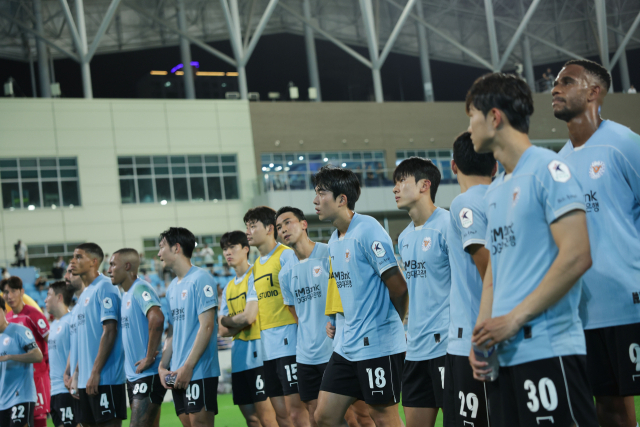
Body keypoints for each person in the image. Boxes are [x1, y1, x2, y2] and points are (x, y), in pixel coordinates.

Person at [466, 72, 598, 426]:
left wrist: (513, 319)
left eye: (471, 117)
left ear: (494, 117)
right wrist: (481, 332)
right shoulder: (494, 190)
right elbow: (495, 268)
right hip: (502, 357)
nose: (469, 128)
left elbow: (577, 255)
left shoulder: (549, 169)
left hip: (548, 349)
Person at [553, 59, 640, 427]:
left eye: (567, 82)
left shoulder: (624, 144)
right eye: (555, 82)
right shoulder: (557, 164)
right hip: (584, 311)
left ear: (594, 92)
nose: (555, 88)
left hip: (631, 302)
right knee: (607, 406)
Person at [313, 165, 408, 427]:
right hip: (347, 346)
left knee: (382, 416)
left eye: (321, 193)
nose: (315, 200)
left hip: (378, 345)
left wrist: (390, 326)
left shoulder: (368, 229)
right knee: (324, 416)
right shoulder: (334, 239)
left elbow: (398, 287)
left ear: (342, 199)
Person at [443, 132, 495, 427]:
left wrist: (482, 336)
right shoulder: (505, 197)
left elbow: (489, 272)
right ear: (494, 165)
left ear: (453, 166)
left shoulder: (464, 203)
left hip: (473, 339)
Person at [393, 157, 450, 427]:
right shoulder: (403, 238)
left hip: (448, 346)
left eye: (402, 181)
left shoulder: (448, 224)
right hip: (414, 350)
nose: (395, 188)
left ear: (425, 185)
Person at [238, 206, 307, 427]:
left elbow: (300, 299)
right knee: (281, 415)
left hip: (290, 341)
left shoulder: (286, 255)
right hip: (268, 347)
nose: (247, 232)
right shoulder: (255, 267)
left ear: (269, 228)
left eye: (252, 226)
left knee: (298, 413)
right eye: (246, 227)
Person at [276, 207, 334, 427]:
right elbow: (295, 312)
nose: (284, 230)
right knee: (315, 415)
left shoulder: (328, 253)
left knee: (357, 415)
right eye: (280, 227)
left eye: (288, 223)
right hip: (305, 355)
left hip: (335, 350)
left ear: (303, 224)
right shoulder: (285, 273)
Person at [156, 227, 220, 427]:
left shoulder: (201, 278)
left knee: (200, 423)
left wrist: (188, 366)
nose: (158, 254)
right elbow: (173, 332)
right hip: (177, 372)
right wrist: (162, 367)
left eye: (161, 247)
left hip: (198, 369)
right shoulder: (172, 287)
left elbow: (207, 326)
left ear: (176, 248)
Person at [218, 231, 278, 427]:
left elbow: (249, 317)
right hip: (239, 359)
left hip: (259, 356)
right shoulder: (228, 288)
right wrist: (237, 321)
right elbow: (222, 330)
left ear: (246, 249)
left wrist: (230, 320)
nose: (228, 252)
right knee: (251, 420)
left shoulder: (256, 274)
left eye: (232, 247)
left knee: (268, 419)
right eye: (225, 249)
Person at [69, 243, 126, 426]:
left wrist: (95, 372)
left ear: (94, 261)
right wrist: (77, 373)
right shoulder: (83, 295)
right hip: (87, 380)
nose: (73, 261)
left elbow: (110, 332)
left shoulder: (106, 287)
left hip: (105, 378)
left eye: (79, 257)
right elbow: (86, 341)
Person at [109, 249, 166, 427]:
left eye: (112, 264)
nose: (109, 269)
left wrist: (149, 357)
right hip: (135, 375)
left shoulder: (140, 288)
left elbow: (157, 318)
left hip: (148, 374)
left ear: (127, 266)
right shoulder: (125, 294)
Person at [323, 278, 374, 427]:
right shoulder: (332, 257)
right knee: (344, 418)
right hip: (339, 342)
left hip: (363, 339)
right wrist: (332, 320)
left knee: (369, 417)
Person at [1, 276, 51, 427]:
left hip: (36, 377)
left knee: (39, 419)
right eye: (5, 292)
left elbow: (52, 342)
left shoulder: (33, 314)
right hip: (11, 383)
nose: (9, 296)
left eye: (13, 291)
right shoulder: (7, 319)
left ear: (22, 291)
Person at [45, 281, 76, 427]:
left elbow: (78, 350)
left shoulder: (72, 321)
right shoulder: (53, 325)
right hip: (55, 391)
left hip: (67, 390)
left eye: (49, 294)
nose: (45, 299)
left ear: (59, 297)